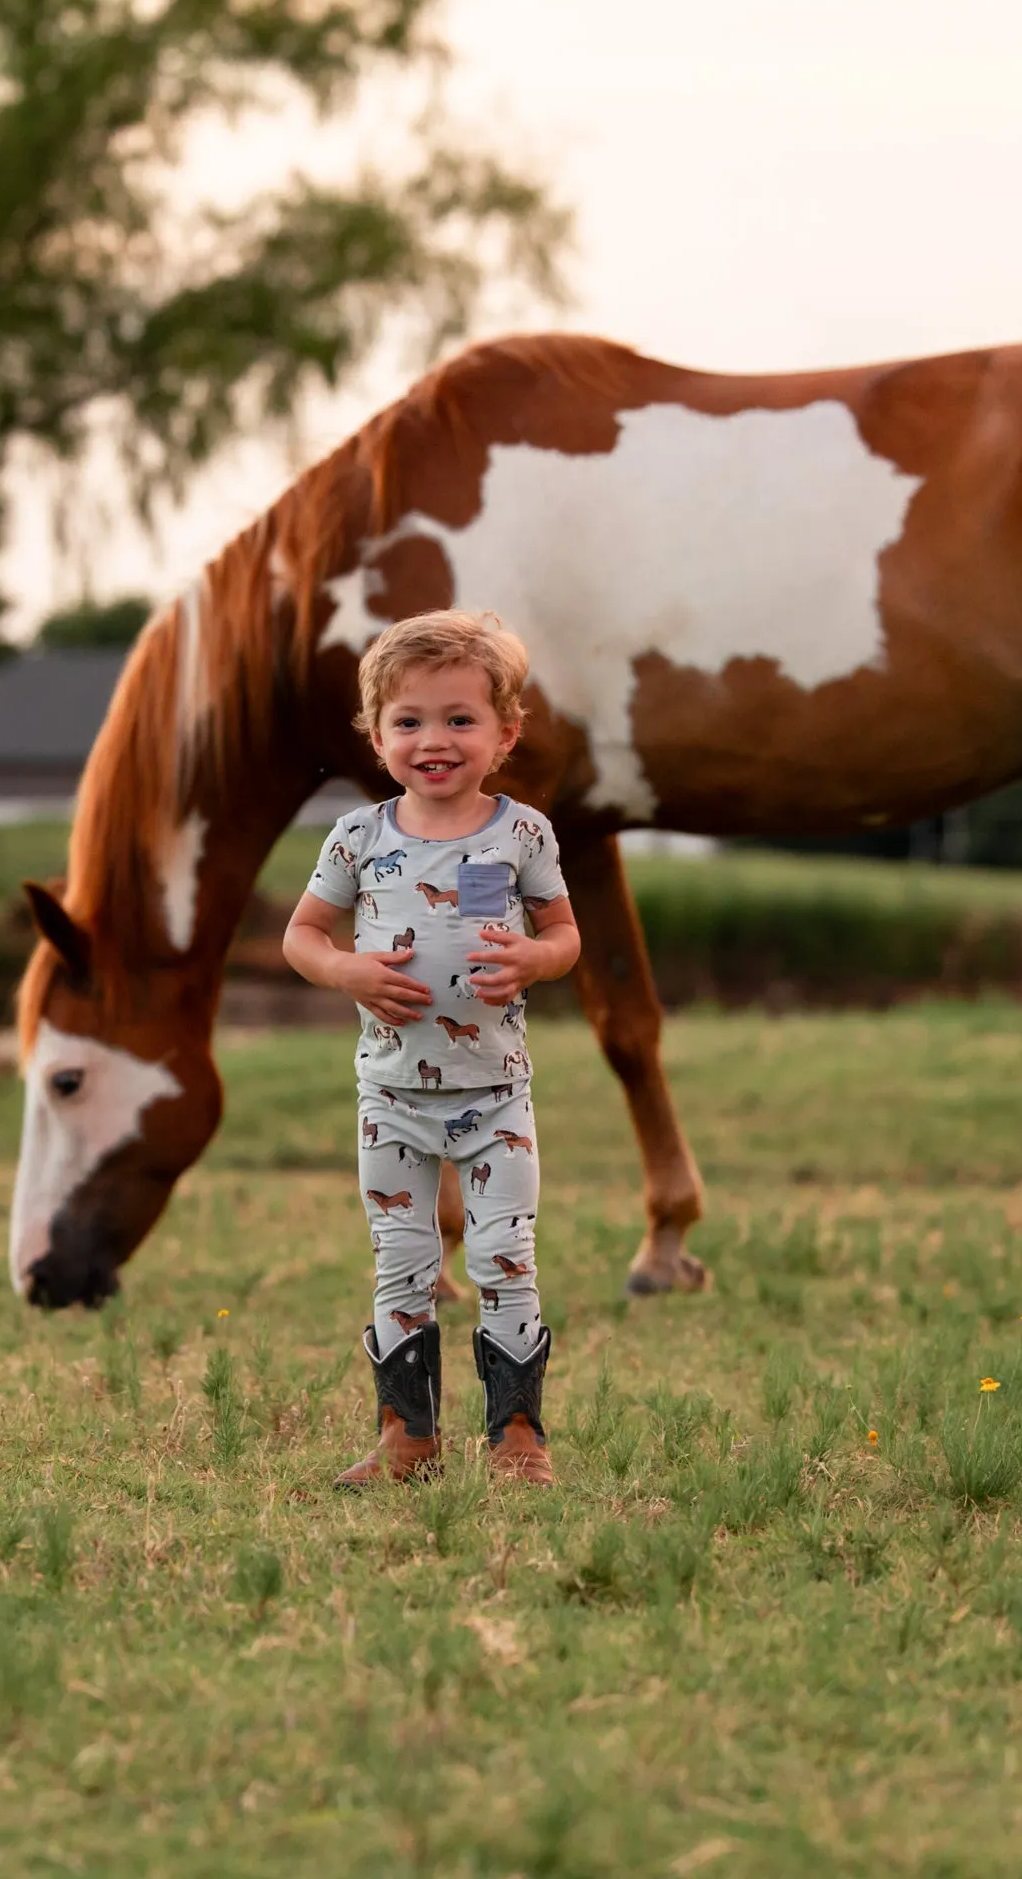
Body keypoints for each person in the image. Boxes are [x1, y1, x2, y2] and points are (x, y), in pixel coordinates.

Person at [283, 610, 580, 1488]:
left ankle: (517, 1440)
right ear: (377, 739)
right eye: (408, 722)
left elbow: (565, 935)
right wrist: (348, 972)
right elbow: (302, 935)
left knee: (504, 1256)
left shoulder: (521, 833)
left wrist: (535, 956)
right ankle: (406, 1439)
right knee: (402, 1260)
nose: (433, 740)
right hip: (391, 1102)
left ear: (505, 734)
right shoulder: (358, 839)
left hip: (495, 1097)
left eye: (459, 720)